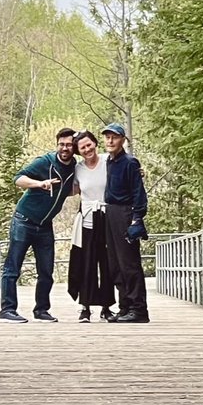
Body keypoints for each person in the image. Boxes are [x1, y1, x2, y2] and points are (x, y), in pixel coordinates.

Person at [0, 127, 77, 323]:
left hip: (45, 225)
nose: (64, 148)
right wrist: (39, 184)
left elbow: (92, 168)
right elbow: (18, 178)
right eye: (61, 144)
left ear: (74, 146)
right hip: (24, 220)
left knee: (46, 270)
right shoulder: (45, 162)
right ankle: (7, 310)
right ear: (57, 144)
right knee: (12, 268)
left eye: (68, 144)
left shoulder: (75, 167)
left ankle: (41, 310)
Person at [67, 131, 117, 322]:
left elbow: (125, 171)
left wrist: (139, 172)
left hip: (107, 218)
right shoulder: (78, 169)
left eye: (89, 145)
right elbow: (71, 189)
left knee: (107, 264)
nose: (87, 149)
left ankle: (106, 307)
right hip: (88, 219)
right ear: (79, 151)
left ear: (96, 143)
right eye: (82, 147)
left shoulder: (108, 161)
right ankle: (85, 307)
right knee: (86, 264)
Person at [102, 122, 150, 323]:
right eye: (107, 137)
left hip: (125, 212)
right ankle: (125, 307)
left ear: (123, 140)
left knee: (129, 263)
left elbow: (139, 193)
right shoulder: (109, 162)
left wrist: (136, 219)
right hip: (110, 213)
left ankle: (139, 310)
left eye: (114, 137)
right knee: (115, 265)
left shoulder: (130, 163)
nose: (110, 140)